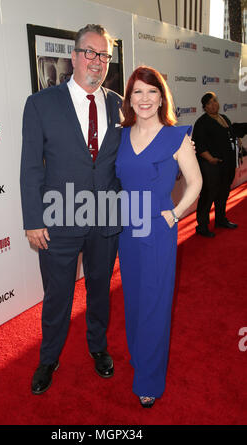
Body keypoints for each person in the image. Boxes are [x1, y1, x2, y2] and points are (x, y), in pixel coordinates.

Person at [20, 24, 123, 395]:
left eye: (104, 55)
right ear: (75, 55)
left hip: (106, 219)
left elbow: (122, 161)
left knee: (99, 289)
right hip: (58, 219)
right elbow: (31, 167)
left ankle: (98, 347)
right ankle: (49, 357)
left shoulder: (117, 104)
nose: (97, 62)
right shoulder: (41, 104)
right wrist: (33, 219)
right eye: (91, 53)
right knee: (58, 294)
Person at [115, 66, 202, 407]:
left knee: (155, 303)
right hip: (127, 229)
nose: (145, 98)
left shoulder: (176, 136)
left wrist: (175, 213)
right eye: (138, 92)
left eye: (152, 91)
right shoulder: (119, 136)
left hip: (159, 229)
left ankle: (149, 380)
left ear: (162, 96)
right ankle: (141, 359)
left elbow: (194, 182)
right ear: (129, 99)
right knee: (134, 301)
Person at [193, 92, 238, 237]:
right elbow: (199, 145)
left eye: (215, 101)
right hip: (210, 166)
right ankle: (202, 225)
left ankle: (220, 219)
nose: (214, 104)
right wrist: (210, 159)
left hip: (227, 163)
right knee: (208, 194)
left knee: (223, 193)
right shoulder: (202, 122)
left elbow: (230, 135)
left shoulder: (224, 118)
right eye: (210, 103)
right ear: (205, 107)